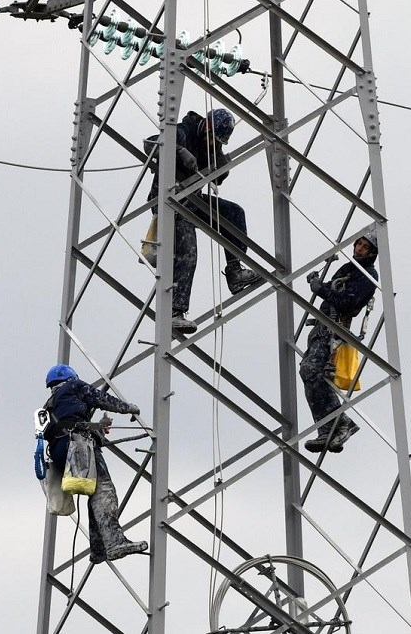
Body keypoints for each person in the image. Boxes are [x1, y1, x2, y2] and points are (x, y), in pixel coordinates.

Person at [145, 108, 260, 334]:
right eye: (211, 138)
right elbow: (150, 144)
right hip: (170, 201)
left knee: (234, 213)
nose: (211, 143)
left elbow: (215, 177)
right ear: (207, 126)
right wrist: (178, 150)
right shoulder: (183, 131)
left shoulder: (212, 144)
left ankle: (235, 272)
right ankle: (174, 312)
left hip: (192, 201)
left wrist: (222, 167)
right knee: (189, 252)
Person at [42, 363, 149, 563]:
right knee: (104, 491)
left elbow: (69, 424)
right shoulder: (74, 387)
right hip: (79, 447)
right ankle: (114, 543)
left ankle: (99, 549)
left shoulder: (52, 403)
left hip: (60, 452)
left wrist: (98, 428)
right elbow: (100, 398)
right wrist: (128, 408)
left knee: (94, 492)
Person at [300, 230, 379, 454]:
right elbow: (334, 290)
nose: (359, 249)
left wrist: (321, 289)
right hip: (322, 327)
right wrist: (319, 282)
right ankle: (328, 428)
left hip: (334, 331)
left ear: (372, 252)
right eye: (358, 244)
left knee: (311, 370)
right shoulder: (347, 269)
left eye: (364, 247)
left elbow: (348, 303)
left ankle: (341, 422)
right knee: (309, 374)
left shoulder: (368, 274)